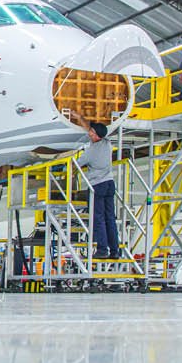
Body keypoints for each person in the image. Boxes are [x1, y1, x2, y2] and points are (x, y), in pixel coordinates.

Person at [67, 109, 119, 260]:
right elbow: (89, 128)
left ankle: (102, 249)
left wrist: (69, 173)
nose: (89, 133)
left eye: (92, 133)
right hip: (110, 184)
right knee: (110, 218)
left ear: (96, 136)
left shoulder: (90, 152)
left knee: (98, 218)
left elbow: (75, 164)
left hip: (98, 186)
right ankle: (115, 250)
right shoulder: (107, 143)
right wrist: (79, 117)